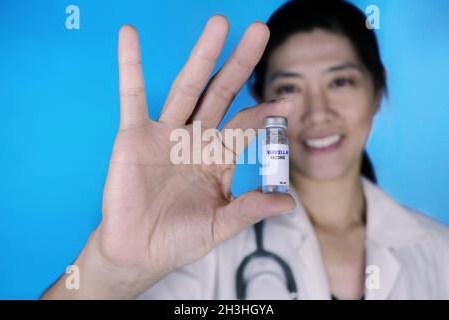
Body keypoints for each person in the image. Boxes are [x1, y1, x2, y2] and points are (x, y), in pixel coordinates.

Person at [42, 0, 449, 300]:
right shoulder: (198, 244)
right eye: (289, 88)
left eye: (340, 82)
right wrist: (110, 271)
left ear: (378, 90)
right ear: (261, 97)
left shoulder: (440, 251)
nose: (317, 112)